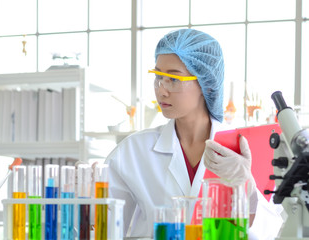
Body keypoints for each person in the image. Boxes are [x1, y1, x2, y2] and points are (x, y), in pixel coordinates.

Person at [105, 28, 283, 239]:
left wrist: (247, 187)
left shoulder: (246, 148)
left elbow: (271, 232)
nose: (161, 90)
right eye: (158, 78)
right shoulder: (132, 151)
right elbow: (104, 228)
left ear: (206, 84)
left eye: (173, 79)